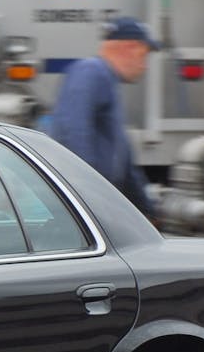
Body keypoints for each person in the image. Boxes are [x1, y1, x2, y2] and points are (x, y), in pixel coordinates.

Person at [47, 16, 161, 222]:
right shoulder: (91, 72)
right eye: (143, 56)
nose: (144, 66)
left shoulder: (107, 81)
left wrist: (148, 210)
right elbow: (73, 133)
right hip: (84, 208)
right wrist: (89, 197)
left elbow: (125, 165)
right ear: (128, 47)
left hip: (96, 206)